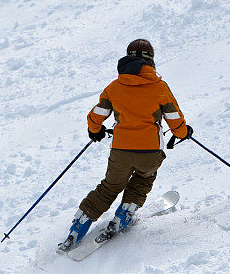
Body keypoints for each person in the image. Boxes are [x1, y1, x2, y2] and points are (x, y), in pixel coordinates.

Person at [58, 39, 193, 251]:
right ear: (151, 60)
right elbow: (174, 118)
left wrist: (95, 131)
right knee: (143, 179)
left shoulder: (114, 88)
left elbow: (96, 115)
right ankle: (124, 215)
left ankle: (79, 226)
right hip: (150, 152)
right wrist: (183, 133)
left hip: (120, 151)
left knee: (109, 187)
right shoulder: (159, 87)